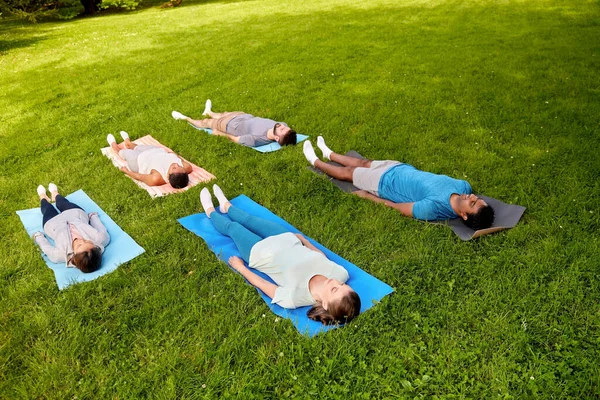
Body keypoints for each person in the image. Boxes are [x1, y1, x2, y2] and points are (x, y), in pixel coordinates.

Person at [200, 184, 361, 325]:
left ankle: (210, 211)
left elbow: (264, 285)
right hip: (286, 239)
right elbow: (322, 257)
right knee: (249, 219)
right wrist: (305, 241)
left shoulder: (294, 298)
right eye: (342, 285)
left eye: (334, 289)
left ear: (325, 304)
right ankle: (226, 206)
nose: (336, 282)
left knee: (233, 228)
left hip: (259, 253)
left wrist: (240, 267)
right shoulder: (341, 273)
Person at [303, 137, 495, 230]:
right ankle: (329, 153)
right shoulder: (464, 187)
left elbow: (394, 206)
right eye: (476, 199)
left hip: (384, 184)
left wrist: (367, 196)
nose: (471, 197)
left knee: (349, 174)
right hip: (400, 168)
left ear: (463, 215)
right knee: (363, 162)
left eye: (472, 203)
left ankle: (315, 161)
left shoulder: (433, 208)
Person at [32, 183, 110, 273]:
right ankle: (55, 194)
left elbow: (47, 249)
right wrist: (93, 217)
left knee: (47, 209)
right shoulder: (102, 239)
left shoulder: (60, 255)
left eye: (80, 245)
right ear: (96, 247)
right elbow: (100, 227)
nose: (81, 240)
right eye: (87, 241)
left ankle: (43, 197)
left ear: (74, 257)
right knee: (62, 202)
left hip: (53, 224)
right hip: (75, 215)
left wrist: (38, 237)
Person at [172, 99, 297, 148]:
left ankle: (185, 118)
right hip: (243, 116)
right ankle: (209, 111)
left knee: (205, 123)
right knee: (221, 114)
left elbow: (236, 139)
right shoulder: (280, 125)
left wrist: (219, 134)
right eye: (284, 127)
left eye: (282, 129)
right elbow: (283, 128)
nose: (281, 125)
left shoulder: (256, 140)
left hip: (229, 125)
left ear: (276, 138)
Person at [107, 131, 193, 188]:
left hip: (138, 161)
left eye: (174, 168)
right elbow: (178, 158)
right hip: (155, 151)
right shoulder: (186, 167)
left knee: (123, 153)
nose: (176, 164)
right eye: (179, 166)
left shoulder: (157, 178)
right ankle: (128, 142)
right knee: (135, 146)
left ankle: (115, 147)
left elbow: (140, 177)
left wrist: (127, 172)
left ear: (168, 176)